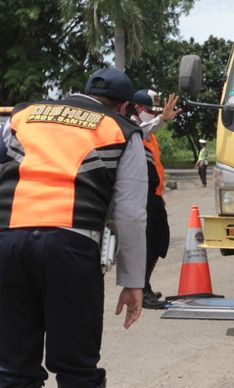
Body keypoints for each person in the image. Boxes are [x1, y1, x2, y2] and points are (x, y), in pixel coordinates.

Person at [0, 68, 147, 386]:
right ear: (122, 106)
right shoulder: (122, 129)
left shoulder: (23, 115)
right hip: (72, 247)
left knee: (12, 368)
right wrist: (133, 281)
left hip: (9, 242)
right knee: (77, 368)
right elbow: (131, 213)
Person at [132, 89, 182, 309]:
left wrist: (160, 195)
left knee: (159, 241)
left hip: (153, 196)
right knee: (147, 243)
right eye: (150, 111)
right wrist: (161, 120)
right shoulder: (130, 128)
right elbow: (140, 130)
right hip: (139, 197)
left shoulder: (150, 136)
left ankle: (145, 285)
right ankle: (140, 290)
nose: (152, 115)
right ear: (137, 108)